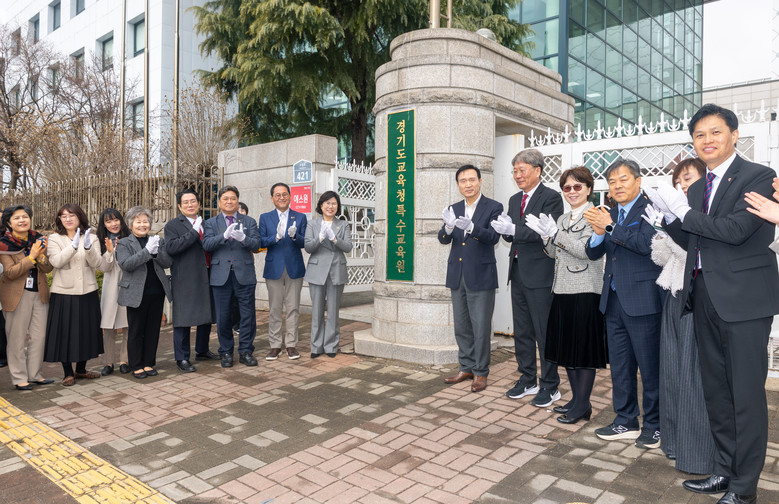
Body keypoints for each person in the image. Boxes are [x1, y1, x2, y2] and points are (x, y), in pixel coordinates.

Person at [648, 104, 779, 504]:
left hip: (743, 301)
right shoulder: (695, 187)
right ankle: (723, 469)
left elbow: (736, 231)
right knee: (717, 393)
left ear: (734, 135)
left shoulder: (758, 176)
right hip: (703, 294)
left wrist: (683, 213)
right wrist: (668, 218)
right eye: (700, 135)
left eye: (716, 132)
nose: (707, 140)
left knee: (745, 397)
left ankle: (744, 487)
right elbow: (695, 240)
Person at [584, 159, 664, 450]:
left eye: (623, 179)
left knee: (650, 368)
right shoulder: (611, 212)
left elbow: (645, 245)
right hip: (614, 300)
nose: (617, 186)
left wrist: (609, 226)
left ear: (638, 181)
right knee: (620, 366)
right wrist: (598, 233)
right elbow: (593, 254)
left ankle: (655, 425)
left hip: (643, 301)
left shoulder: (652, 209)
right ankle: (626, 420)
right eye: (612, 181)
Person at [644, 158, 715, 475]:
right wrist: (662, 230)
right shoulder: (672, 213)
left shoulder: (705, 214)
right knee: (671, 371)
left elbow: (693, 254)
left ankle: (695, 451)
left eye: (689, 179)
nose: (683, 186)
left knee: (691, 376)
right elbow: (661, 257)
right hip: (672, 295)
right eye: (679, 181)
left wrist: (673, 225)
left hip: (696, 298)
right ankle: (672, 442)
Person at [524, 166, 606, 424]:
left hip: (585, 289)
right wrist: (546, 237)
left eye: (577, 186)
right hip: (561, 289)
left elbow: (584, 251)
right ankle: (577, 400)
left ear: (589, 189)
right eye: (567, 187)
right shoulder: (562, 219)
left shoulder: (596, 216)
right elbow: (553, 253)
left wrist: (556, 235)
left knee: (583, 352)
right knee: (568, 350)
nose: (572, 191)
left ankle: (582, 405)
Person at [491, 149, 564, 406]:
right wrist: (505, 230)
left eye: (522, 170)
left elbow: (544, 233)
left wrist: (514, 229)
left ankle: (550, 385)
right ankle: (527, 378)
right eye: (514, 171)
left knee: (544, 332)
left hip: (540, 274)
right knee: (522, 330)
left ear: (537, 170)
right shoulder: (514, 199)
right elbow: (513, 234)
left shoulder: (551, 197)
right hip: (518, 272)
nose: (517, 175)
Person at [438, 165, 503, 392]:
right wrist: (448, 227)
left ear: (480, 181)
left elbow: (493, 237)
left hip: (481, 275)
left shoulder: (493, 207)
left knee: (481, 326)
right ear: (458, 184)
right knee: (462, 325)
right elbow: (443, 238)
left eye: (471, 179)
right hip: (458, 275)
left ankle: (481, 372)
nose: (468, 184)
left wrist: (473, 227)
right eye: (463, 181)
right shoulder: (454, 208)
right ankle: (465, 367)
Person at [202, 186, 262, 368]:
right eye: (225, 198)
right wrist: (223, 236)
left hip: (244, 274)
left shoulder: (249, 221)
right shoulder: (211, 223)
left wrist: (244, 239)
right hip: (221, 275)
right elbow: (206, 244)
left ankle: (246, 351)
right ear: (219, 202)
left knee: (247, 315)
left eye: (233, 198)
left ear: (237, 200)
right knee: (223, 316)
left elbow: (256, 244)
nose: (229, 201)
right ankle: (226, 351)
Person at [44, 204, 103, 386]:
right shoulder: (54, 239)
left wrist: (87, 247)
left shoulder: (92, 237)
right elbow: (56, 261)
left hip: (88, 291)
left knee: (86, 331)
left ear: (80, 217)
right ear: (59, 219)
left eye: (71, 215)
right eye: (63, 216)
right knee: (65, 333)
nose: (68, 219)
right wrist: (73, 246)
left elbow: (97, 263)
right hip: (64, 292)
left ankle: (81, 369)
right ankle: (68, 372)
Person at [0, 205, 54, 390]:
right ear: (9, 223)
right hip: (16, 296)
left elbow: (47, 268)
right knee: (16, 338)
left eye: (25, 216)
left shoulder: (38, 239)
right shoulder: (4, 245)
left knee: (39, 336)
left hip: (39, 293)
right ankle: (19, 377)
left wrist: (40, 256)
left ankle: (35, 374)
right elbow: (10, 273)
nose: (22, 220)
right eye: (16, 218)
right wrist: (31, 257)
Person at [164, 189, 217, 373]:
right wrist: (193, 232)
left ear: (199, 203)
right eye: (185, 202)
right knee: (183, 318)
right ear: (179, 206)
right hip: (185, 277)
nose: (190, 205)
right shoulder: (172, 225)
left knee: (206, 314)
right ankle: (182, 357)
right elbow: (172, 248)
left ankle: (202, 350)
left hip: (207, 273)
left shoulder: (207, 223)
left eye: (193, 201)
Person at [116, 206, 172, 379]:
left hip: (156, 291)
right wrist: (147, 251)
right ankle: (136, 365)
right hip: (135, 293)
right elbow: (126, 264)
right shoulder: (124, 243)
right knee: (136, 330)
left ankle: (148, 363)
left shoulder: (157, 240)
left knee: (153, 329)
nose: (142, 225)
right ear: (130, 224)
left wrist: (156, 252)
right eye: (138, 222)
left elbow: (167, 262)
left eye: (145, 221)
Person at [259, 182, 307, 360]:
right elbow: (260, 241)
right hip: (274, 268)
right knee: (275, 308)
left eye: (285, 194)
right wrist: (276, 237)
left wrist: (295, 236)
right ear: (272, 198)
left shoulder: (300, 217)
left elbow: (305, 243)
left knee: (293, 307)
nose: (281, 197)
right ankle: (275, 345)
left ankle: (291, 345)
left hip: (294, 267)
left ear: (290, 196)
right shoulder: (265, 218)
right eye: (277, 195)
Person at [304, 191, 353, 359]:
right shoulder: (312, 224)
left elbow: (348, 247)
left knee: (333, 311)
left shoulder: (343, 224)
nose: (330, 206)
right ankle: (316, 346)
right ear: (321, 205)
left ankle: (331, 345)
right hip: (317, 271)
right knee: (317, 311)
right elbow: (308, 247)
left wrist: (334, 239)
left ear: (337, 206)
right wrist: (319, 238)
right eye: (327, 203)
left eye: (334, 203)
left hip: (336, 270)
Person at [96, 208, 130, 375]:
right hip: (110, 286)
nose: (113, 224)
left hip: (127, 284)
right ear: (104, 224)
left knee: (128, 324)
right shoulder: (100, 242)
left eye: (116, 220)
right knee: (108, 325)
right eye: (108, 221)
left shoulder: (129, 238)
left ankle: (125, 360)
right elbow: (103, 267)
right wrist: (110, 252)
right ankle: (108, 362)